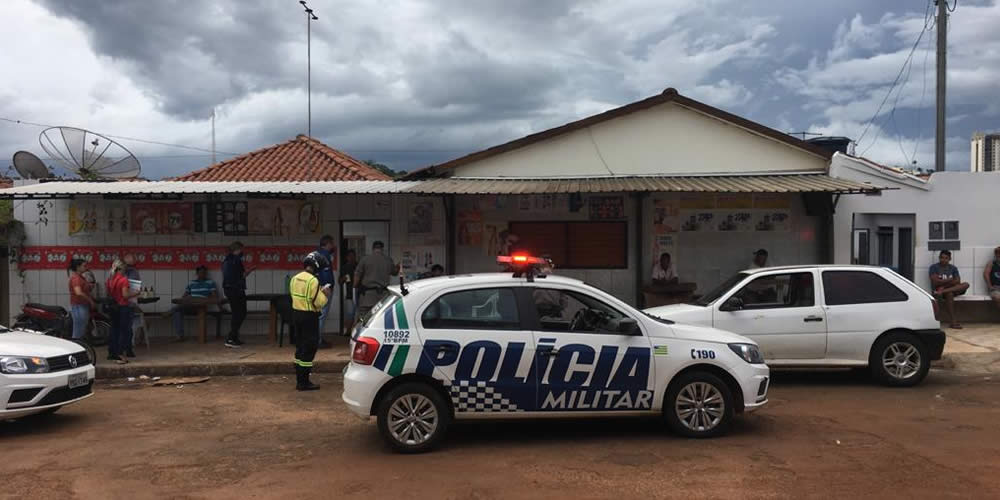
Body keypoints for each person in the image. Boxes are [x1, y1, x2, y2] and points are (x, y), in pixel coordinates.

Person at [290, 251, 332, 391]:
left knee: (300, 346)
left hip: (296, 314)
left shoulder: (295, 278)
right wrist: (325, 295)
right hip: (309, 317)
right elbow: (318, 303)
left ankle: (298, 376)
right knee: (309, 348)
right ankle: (303, 382)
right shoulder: (313, 280)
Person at [170, 266, 218, 342]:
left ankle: (169, 312)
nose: (202, 274)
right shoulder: (191, 283)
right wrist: (184, 301)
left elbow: (215, 297)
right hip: (190, 305)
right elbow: (184, 296)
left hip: (201, 306)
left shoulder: (210, 283)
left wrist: (220, 307)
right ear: (197, 273)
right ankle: (180, 336)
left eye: (204, 273)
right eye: (201, 272)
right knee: (177, 312)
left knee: (175, 309)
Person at [222, 241, 255, 348]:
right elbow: (242, 275)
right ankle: (231, 338)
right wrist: (250, 270)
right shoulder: (235, 260)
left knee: (238, 313)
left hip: (231, 289)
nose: (243, 252)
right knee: (239, 313)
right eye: (242, 249)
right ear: (237, 249)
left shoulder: (227, 260)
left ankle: (234, 337)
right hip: (235, 290)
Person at [106, 259, 139, 364]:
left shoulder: (109, 280)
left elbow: (109, 294)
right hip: (123, 308)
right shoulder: (123, 280)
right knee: (123, 332)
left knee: (114, 331)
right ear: (121, 268)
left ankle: (112, 353)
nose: (125, 270)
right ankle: (120, 355)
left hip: (113, 308)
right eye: (124, 268)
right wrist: (136, 293)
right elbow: (125, 295)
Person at [354, 241, 396, 322]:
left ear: (373, 248)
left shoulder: (365, 259)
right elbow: (394, 272)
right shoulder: (388, 260)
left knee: (364, 319)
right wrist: (397, 267)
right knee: (380, 319)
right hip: (383, 297)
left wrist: (355, 286)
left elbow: (357, 276)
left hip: (367, 297)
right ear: (382, 249)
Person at [930, 250, 969, 329]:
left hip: (945, 290)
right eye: (942, 258)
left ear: (950, 259)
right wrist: (950, 280)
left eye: (946, 258)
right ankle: (953, 322)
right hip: (940, 291)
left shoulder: (953, 268)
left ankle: (943, 291)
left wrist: (943, 287)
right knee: (949, 294)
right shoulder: (934, 267)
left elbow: (958, 281)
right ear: (939, 258)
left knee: (966, 284)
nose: (943, 260)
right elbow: (935, 282)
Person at [68, 259, 96, 341]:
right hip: (78, 306)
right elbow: (78, 292)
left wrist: (90, 286)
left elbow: (84, 289)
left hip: (82, 305)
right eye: (84, 266)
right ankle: (76, 348)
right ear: (78, 267)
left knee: (81, 329)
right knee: (78, 330)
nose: (86, 267)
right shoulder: (75, 278)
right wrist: (90, 301)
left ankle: (79, 347)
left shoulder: (81, 277)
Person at [316, 235, 336, 349]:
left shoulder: (318, 253)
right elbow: (325, 273)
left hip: (319, 288)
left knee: (320, 315)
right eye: (332, 244)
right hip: (324, 289)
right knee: (322, 315)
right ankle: (318, 341)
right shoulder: (324, 255)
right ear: (327, 244)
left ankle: (318, 338)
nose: (333, 246)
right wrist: (327, 287)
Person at [339, 249, 358, 333]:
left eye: (353, 256)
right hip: (349, 293)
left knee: (359, 313)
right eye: (350, 256)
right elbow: (339, 281)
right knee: (350, 313)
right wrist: (344, 278)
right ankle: (348, 331)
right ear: (347, 257)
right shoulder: (344, 267)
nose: (352, 258)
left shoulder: (358, 265)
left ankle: (356, 331)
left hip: (360, 292)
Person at [984, 246, 1000, 311]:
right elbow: (985, 274)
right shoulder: (991, 263)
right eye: (997, 253)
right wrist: (990, 286)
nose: (998, 255)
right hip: (995, 288)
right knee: (998, 298)